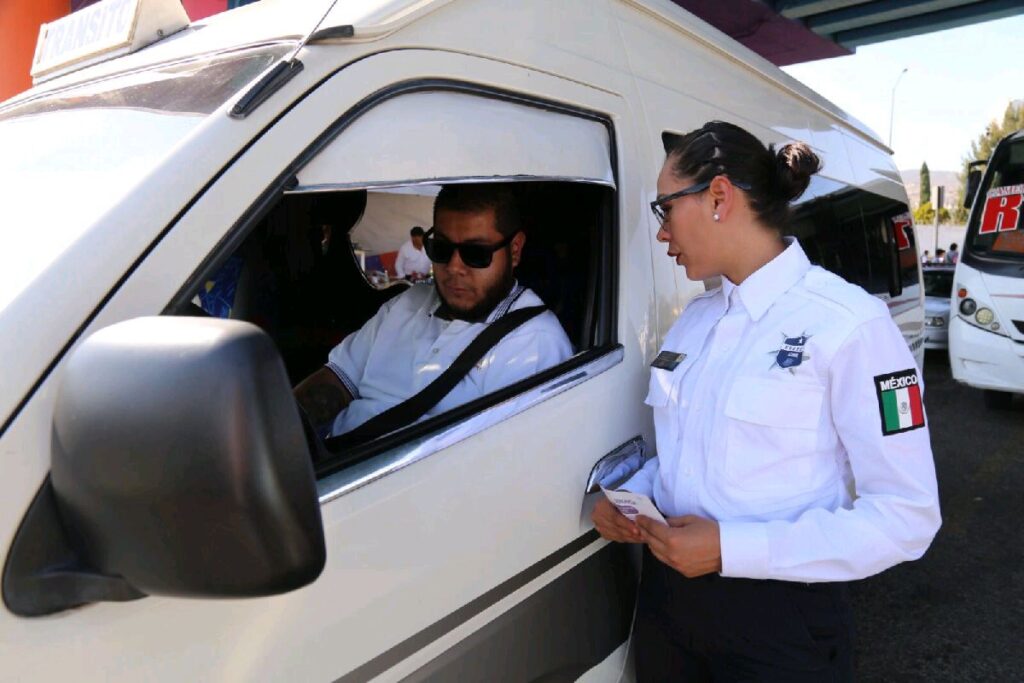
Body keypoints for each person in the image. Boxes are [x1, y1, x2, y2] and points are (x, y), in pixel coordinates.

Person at [592, 121, 941, 681]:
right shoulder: (696, 322)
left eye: (665, 209)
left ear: (719, 197)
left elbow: (907, 517)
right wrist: (633, 496)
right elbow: (694, 454)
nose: (661, 234)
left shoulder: (849, 325)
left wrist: (734, 549)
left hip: (779, 626)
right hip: (668, 608)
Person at [295, 183, 572, 437]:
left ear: (514, 250)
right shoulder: (407, 303)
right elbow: (338, 380)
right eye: (440, 248)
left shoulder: (532, 346)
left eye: (475, 253)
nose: (453, 267)